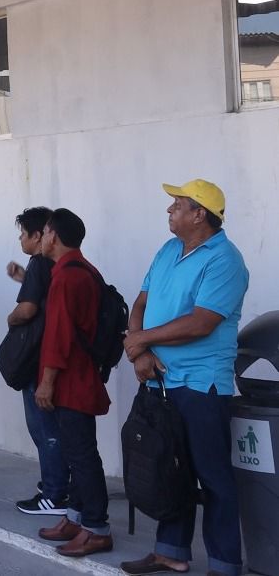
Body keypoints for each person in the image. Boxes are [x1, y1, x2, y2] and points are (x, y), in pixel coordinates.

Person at [120, 180, 249, 576]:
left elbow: (201, 323)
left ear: (200, 215)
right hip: (162, 381)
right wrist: (140, 351)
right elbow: (141, 300)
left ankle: (225, 565)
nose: (169, 210)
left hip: (201, 384)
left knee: (212, 477)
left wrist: (141, 339)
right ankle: (170, 551)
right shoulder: (168, 249)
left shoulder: (225, 260)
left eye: (178, 205)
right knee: (168, 469)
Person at [34, 209, 113, 559]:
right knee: (76, 450)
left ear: (53, 235)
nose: (41, 237)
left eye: (45, 231)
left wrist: (46, 383)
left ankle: (96, 528)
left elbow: (59, 335)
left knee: (81, 456)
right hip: (82, 375)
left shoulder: (67, 276)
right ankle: (76, 517)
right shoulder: (80, 270)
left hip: (72, 380)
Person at [4, 205, 69, 515]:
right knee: (49, 428)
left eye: (23, 233)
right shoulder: (50, 265)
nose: (21, 239)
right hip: (50, 357)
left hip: (38, 360)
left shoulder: (39, 263)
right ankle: (57, 483)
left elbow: (28, 310)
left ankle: (55, 492)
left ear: (38, 235)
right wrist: (23, 279)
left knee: (44, 429)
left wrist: (11, 318)